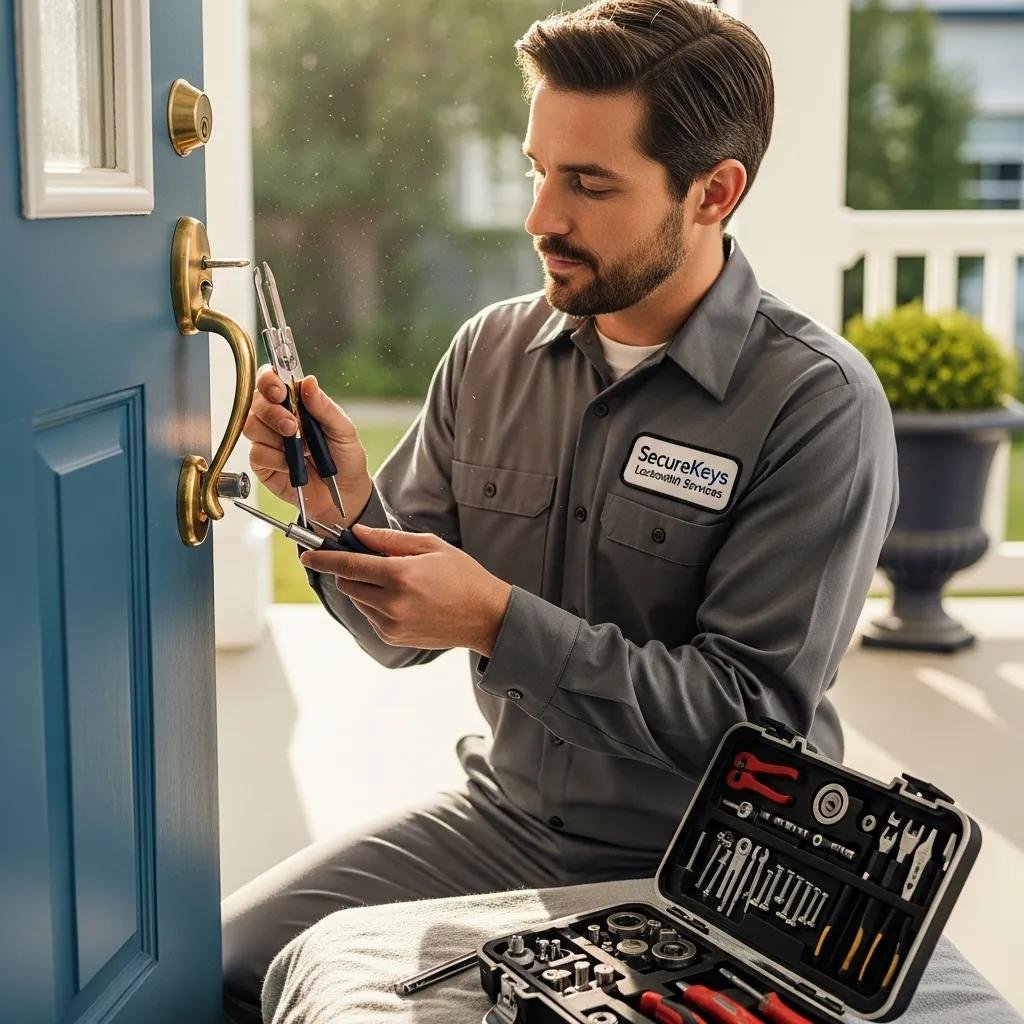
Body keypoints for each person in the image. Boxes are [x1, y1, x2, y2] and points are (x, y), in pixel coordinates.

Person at [223, 1, 899, 1019]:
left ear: (714, 192)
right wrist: (340, 507)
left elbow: (750, 723)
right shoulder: (490, 352)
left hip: (719, 866)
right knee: (216, 966)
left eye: (588, 183)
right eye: (539, 168)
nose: (542, 215)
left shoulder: (815, 405)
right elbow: (398, 639)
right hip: (505, 821)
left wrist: (499, 623)